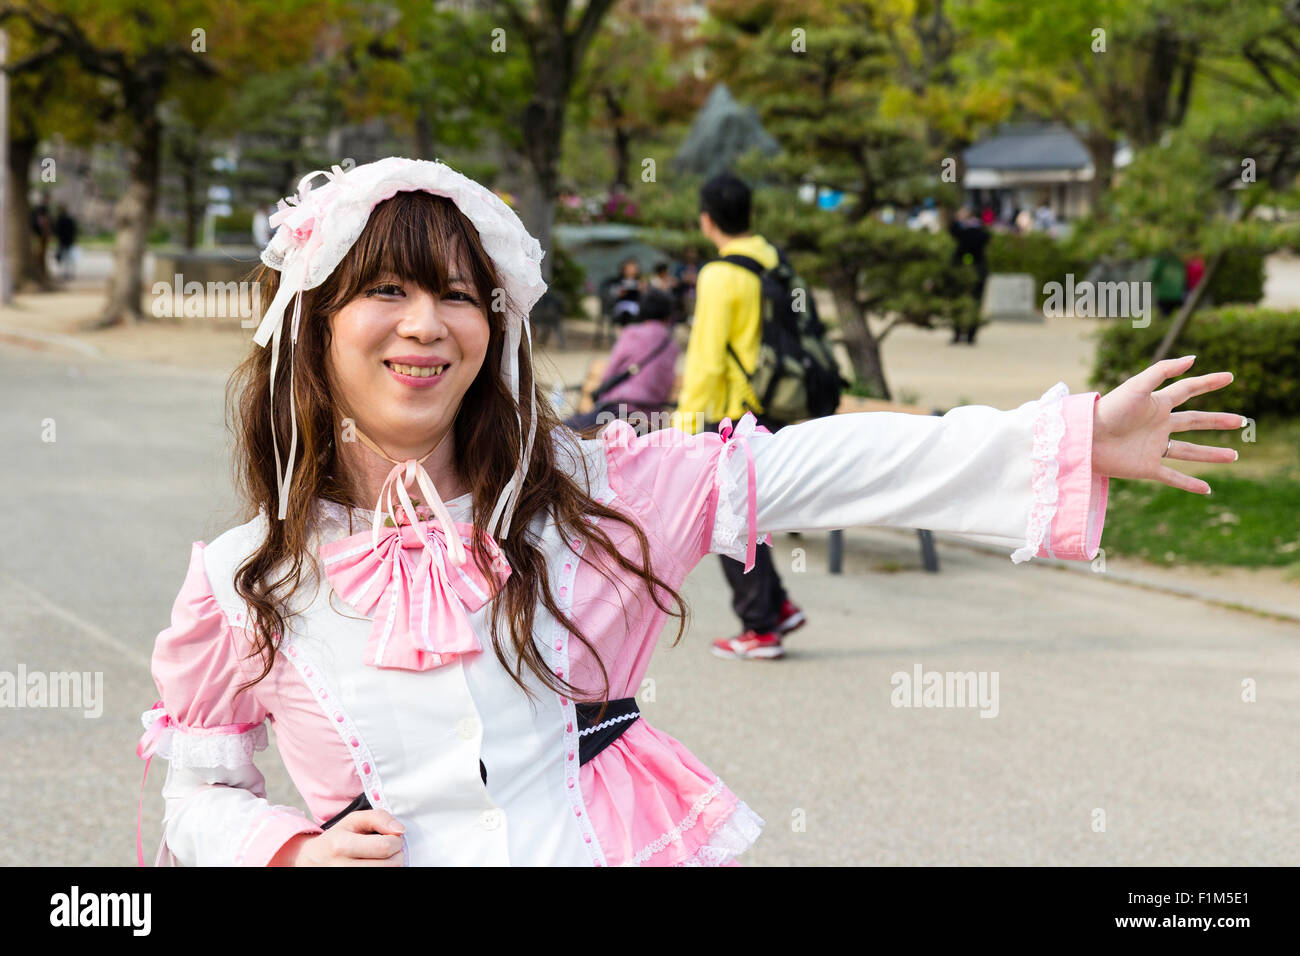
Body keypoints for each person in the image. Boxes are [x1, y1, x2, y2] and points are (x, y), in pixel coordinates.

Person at [134, 156, 1242, 867]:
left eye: (459, 293)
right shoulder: (245, 578)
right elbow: (202, 782)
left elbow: (820, 467)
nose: (426, 324)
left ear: (495, 324)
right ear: (313, 325)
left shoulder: (591, 495)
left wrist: (1056, 436)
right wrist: (279, 850)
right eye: (386, 289)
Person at [671, 172, 807, 661]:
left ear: (707, 220)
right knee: (748, 515)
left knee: (726, 519)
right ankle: (780, 606)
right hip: (775, 404)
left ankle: (760, 627)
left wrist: (684, 430)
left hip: (732, 414)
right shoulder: (774, 259)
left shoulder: (719, 274)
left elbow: (706, 360)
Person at [565, 286, 678, 434]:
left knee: (562, 429)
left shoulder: (631, 333)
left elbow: (609, 373)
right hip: (652, 417)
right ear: (668, 315)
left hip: (617, 413)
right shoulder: (671, 345)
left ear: (642, 310)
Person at [949, 206, 990, 345]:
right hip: (965, 269)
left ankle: (965, 333)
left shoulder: (973, 231)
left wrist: (965, 224)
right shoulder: (971, 230)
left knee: (972, 302)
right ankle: (963, 333)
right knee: (962, 302)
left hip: (972, 268)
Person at [53, 206, 79, 280]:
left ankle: (64, 273)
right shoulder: (70, 220)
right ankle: (69, 272)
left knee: (63, 258)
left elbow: (56, 231)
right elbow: (74, 230)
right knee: (69, 258)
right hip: (69, 241)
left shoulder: (60, 220)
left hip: (62, 241)